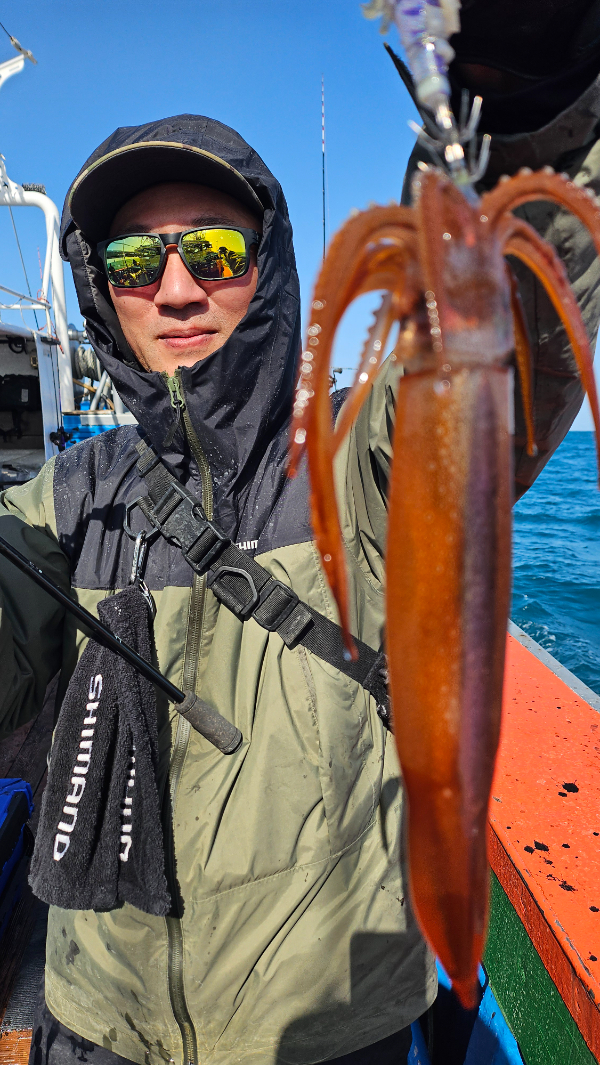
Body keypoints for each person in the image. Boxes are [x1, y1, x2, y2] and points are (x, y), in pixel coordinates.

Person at [1, 8, 600, 1062]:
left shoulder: (361, 464)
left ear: (266, 269)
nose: (176, 288)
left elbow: (490, 335)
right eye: (135, 260)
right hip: (92, 1029)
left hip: (330, 1037)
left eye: (215, 250)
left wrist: (518, 97)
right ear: (101, 289)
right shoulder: (64, 499)